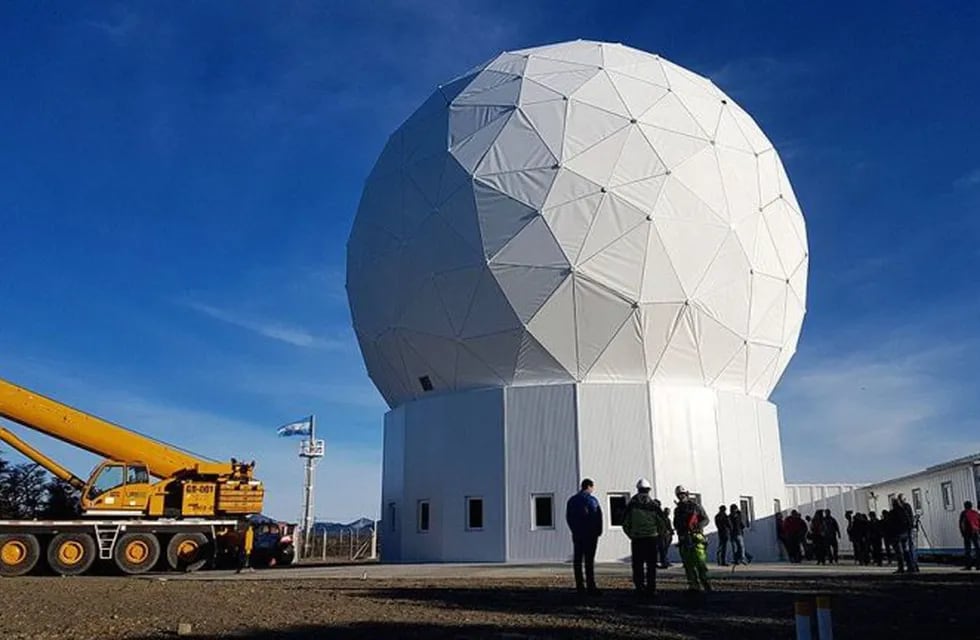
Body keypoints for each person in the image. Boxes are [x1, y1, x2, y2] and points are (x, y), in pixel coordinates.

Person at [622, 478, 663, 598]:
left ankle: (639, 588)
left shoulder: (632, 504)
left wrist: (631, 534)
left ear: (638, 489)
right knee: (651, 565)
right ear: (649, 489)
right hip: (651, 538)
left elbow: (625, 522)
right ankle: (651, 589)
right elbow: (662, 522)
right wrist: (658, 534)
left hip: (637, 539)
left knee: (637, 565)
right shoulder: (654, 505)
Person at [566, 478, 603, 594]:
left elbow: (568, 517)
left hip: (577, 534)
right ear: (589, 487)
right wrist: (598, 531)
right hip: (590, 535)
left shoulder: (572, 500)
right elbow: (597, 516)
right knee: (589, 561)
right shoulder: (592, 500)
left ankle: (580, 586)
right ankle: (591, 586)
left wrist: (574, 530)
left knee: (577, 561)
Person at [673, 485, 710, 595]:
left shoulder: (695, 507)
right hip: (684, 539)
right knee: (688, 564)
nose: (681, 496)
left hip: (696, 538)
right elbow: (675, 523)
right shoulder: (677, 510)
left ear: (687, 494)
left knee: (700, 562)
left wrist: (697, 526)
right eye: (679, 495)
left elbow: (706, 519)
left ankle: (705, 583)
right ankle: (693, 586)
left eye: (683, 494)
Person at [896, 494, 919, 573]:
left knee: (906, 549)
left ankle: (911, 566)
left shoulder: (900, 509)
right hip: (910, 529)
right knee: (911, 548)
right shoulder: (908, 506)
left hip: (904, 530)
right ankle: (914, 566)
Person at [959, 500, 980, 570]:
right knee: (977, 549)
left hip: (967, 533)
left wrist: (962, 533)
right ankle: (978, 565)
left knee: (968, 550)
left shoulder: (964, 513)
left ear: (965, 506)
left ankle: (968, 566)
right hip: (976, 532)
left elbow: (962, 524)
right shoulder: (976, 513)